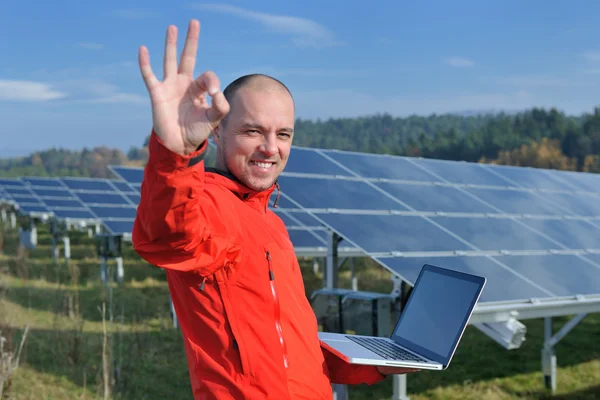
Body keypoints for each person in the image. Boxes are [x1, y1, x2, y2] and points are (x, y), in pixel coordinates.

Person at [132, 19, 419, 399]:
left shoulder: (272, 224)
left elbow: (290, 351)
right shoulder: (210, 206)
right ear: (217, 130)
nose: (271, 147)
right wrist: (176, 154)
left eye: (283, 134)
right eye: (253, 131)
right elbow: (168, 238)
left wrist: (375, 364)